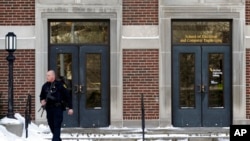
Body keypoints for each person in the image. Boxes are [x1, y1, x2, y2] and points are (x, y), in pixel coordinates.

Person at [40, 70, 74, 141]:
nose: (47, 77)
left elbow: (67, 96)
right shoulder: (45, 86)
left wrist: (70, 107)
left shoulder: (60, 85)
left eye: (48, 75)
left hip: (58, 108)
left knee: (57, 125)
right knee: (51, 124)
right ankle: (57, 139)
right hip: (49, 108)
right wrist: (42, 100)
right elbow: (42, 96)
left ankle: (55, 139)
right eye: (47, 75)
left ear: (53, 76)